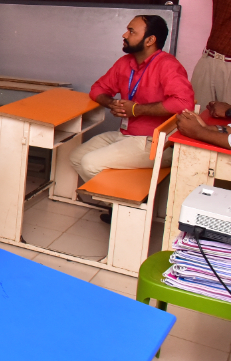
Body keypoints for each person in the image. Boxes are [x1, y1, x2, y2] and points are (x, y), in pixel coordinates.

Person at [71, 16, 194, 221]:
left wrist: (137, 109)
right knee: (76, 157)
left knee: (90, 163)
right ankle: (120, 207)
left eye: (131, 31)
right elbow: (97, 89)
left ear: (150, 40)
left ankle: (128, 212)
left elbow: (183, 103)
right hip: (126, 135)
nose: (124, 35)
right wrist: (111, 103)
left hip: (156, 143)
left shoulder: (168, 65)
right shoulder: (125, 63)